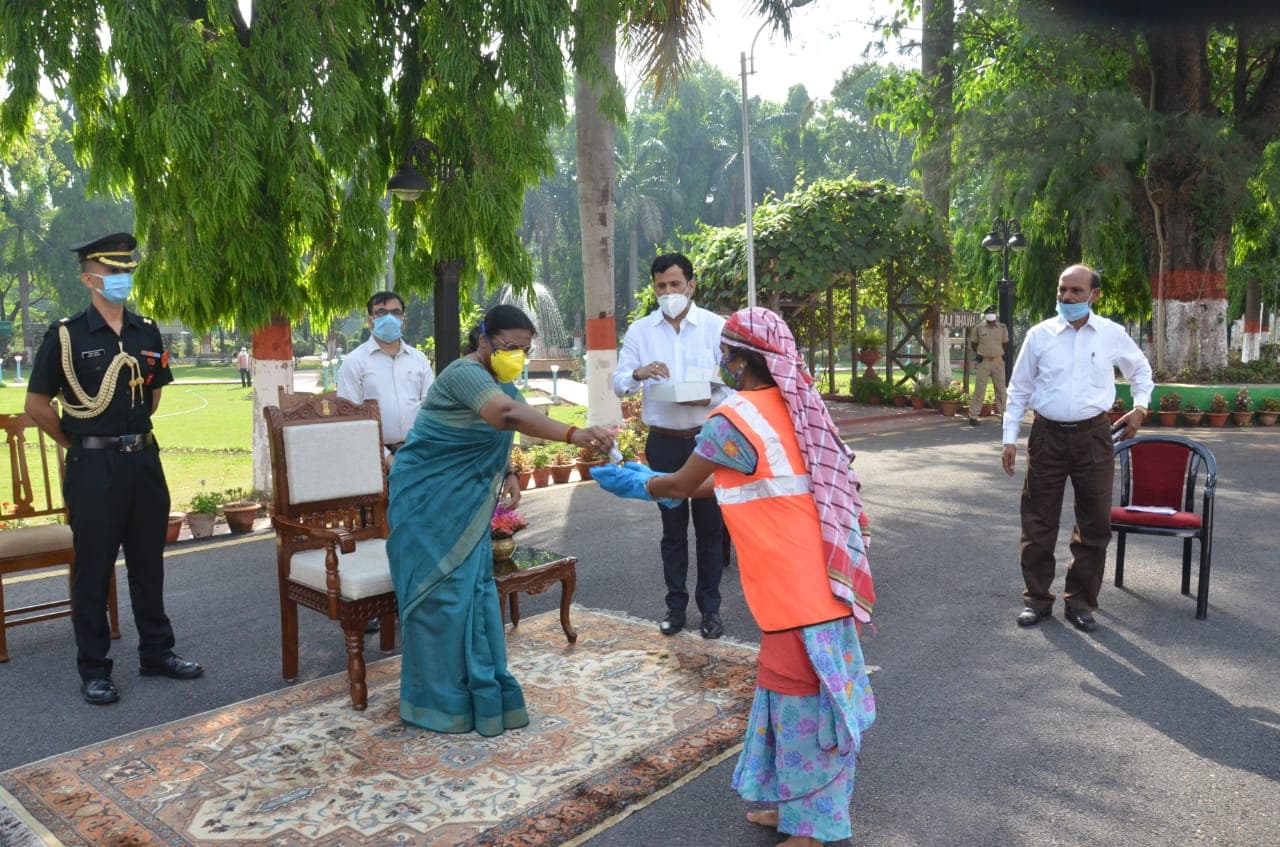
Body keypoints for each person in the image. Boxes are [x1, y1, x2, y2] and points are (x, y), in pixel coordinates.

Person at [595, 307, 876, 847]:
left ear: (741, 359)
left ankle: (814, 826)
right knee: (782, 690)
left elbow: (683, 483)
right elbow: (732, 481)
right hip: (820, 571)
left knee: (803, 701)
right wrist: (658, 479)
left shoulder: (734, 419)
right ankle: (789, 801)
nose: (720, 360)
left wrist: (641, 483)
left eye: (726, 352)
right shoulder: (796, 405)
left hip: (796, 589)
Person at [386, 304, 614, 736]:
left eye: (525, 350)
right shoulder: (463, 373)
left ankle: (482, 697)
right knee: (443, 597)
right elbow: (503, 415)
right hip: (426, 500)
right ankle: (435, 704)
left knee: (475, 593)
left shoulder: (499, 379)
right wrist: (575, 433)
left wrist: (508, 469)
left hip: (466, 501)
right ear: (484, 340)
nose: (517, 357)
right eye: (510, 347)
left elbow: (511, 428)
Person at [24, 232, 204, 706]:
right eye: (113, 271)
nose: (122, 278)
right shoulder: (66, 336)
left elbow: (153, 393)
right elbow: (37, 404)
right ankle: (94, 669)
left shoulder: (146, 332)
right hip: (93, 465)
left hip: (143, 461)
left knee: (149, 564)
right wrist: (78, 444)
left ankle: (157, 653)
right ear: (89, 278)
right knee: (94, 570)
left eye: (127, 271)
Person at [1002, 264, 1153, 633]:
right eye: (1062, 290)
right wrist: (1009, 439)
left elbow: (1141, 370)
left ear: (1094, 295)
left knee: (1094, 521)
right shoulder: (1039, 336)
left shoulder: (1111, 335)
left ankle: (1081, 602)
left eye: (1075, 291)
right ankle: (1036, 600)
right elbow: (1019, 388)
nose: (1067, 297)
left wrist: (1140, 406)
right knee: (1038, 520)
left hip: (1094, 436)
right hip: (1047, 436)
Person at [612, 252, 730, 639]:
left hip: (707, 440)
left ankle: (710, 609)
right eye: (661, 286)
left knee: (711, 530)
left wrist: (709, 395)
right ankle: (675, 607)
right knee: (672, 529)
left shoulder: (716, 327)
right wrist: (638, 372)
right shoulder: (641, 331)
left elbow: (735, 381)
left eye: (675, 284)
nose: (668, 292)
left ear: (691, 285)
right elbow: (618, 382)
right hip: (664, 442)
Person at [336, 291, 434, 468]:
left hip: (418, 453)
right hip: (371, 457)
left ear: (403, 322)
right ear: (370, 321)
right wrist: (388, 458)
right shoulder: (354, 362)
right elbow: (351, 417)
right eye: (381, 312)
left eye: (395, 312)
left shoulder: (419, 360)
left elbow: (431, 407)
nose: (389, 317)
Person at [967, 304, 1009, 426]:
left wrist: (998, 353)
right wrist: (981, 353)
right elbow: (974, 344)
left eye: (993, 312)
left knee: (1001, 390)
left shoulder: (1002, 328)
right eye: (989, 313)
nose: (991, 314)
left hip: (998, 362)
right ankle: (973, 416)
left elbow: (1005, 343)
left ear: (995, 314)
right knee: (979, 389)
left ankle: (1005, 416)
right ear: (985, 315)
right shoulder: (979, 328)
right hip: (984, 362)